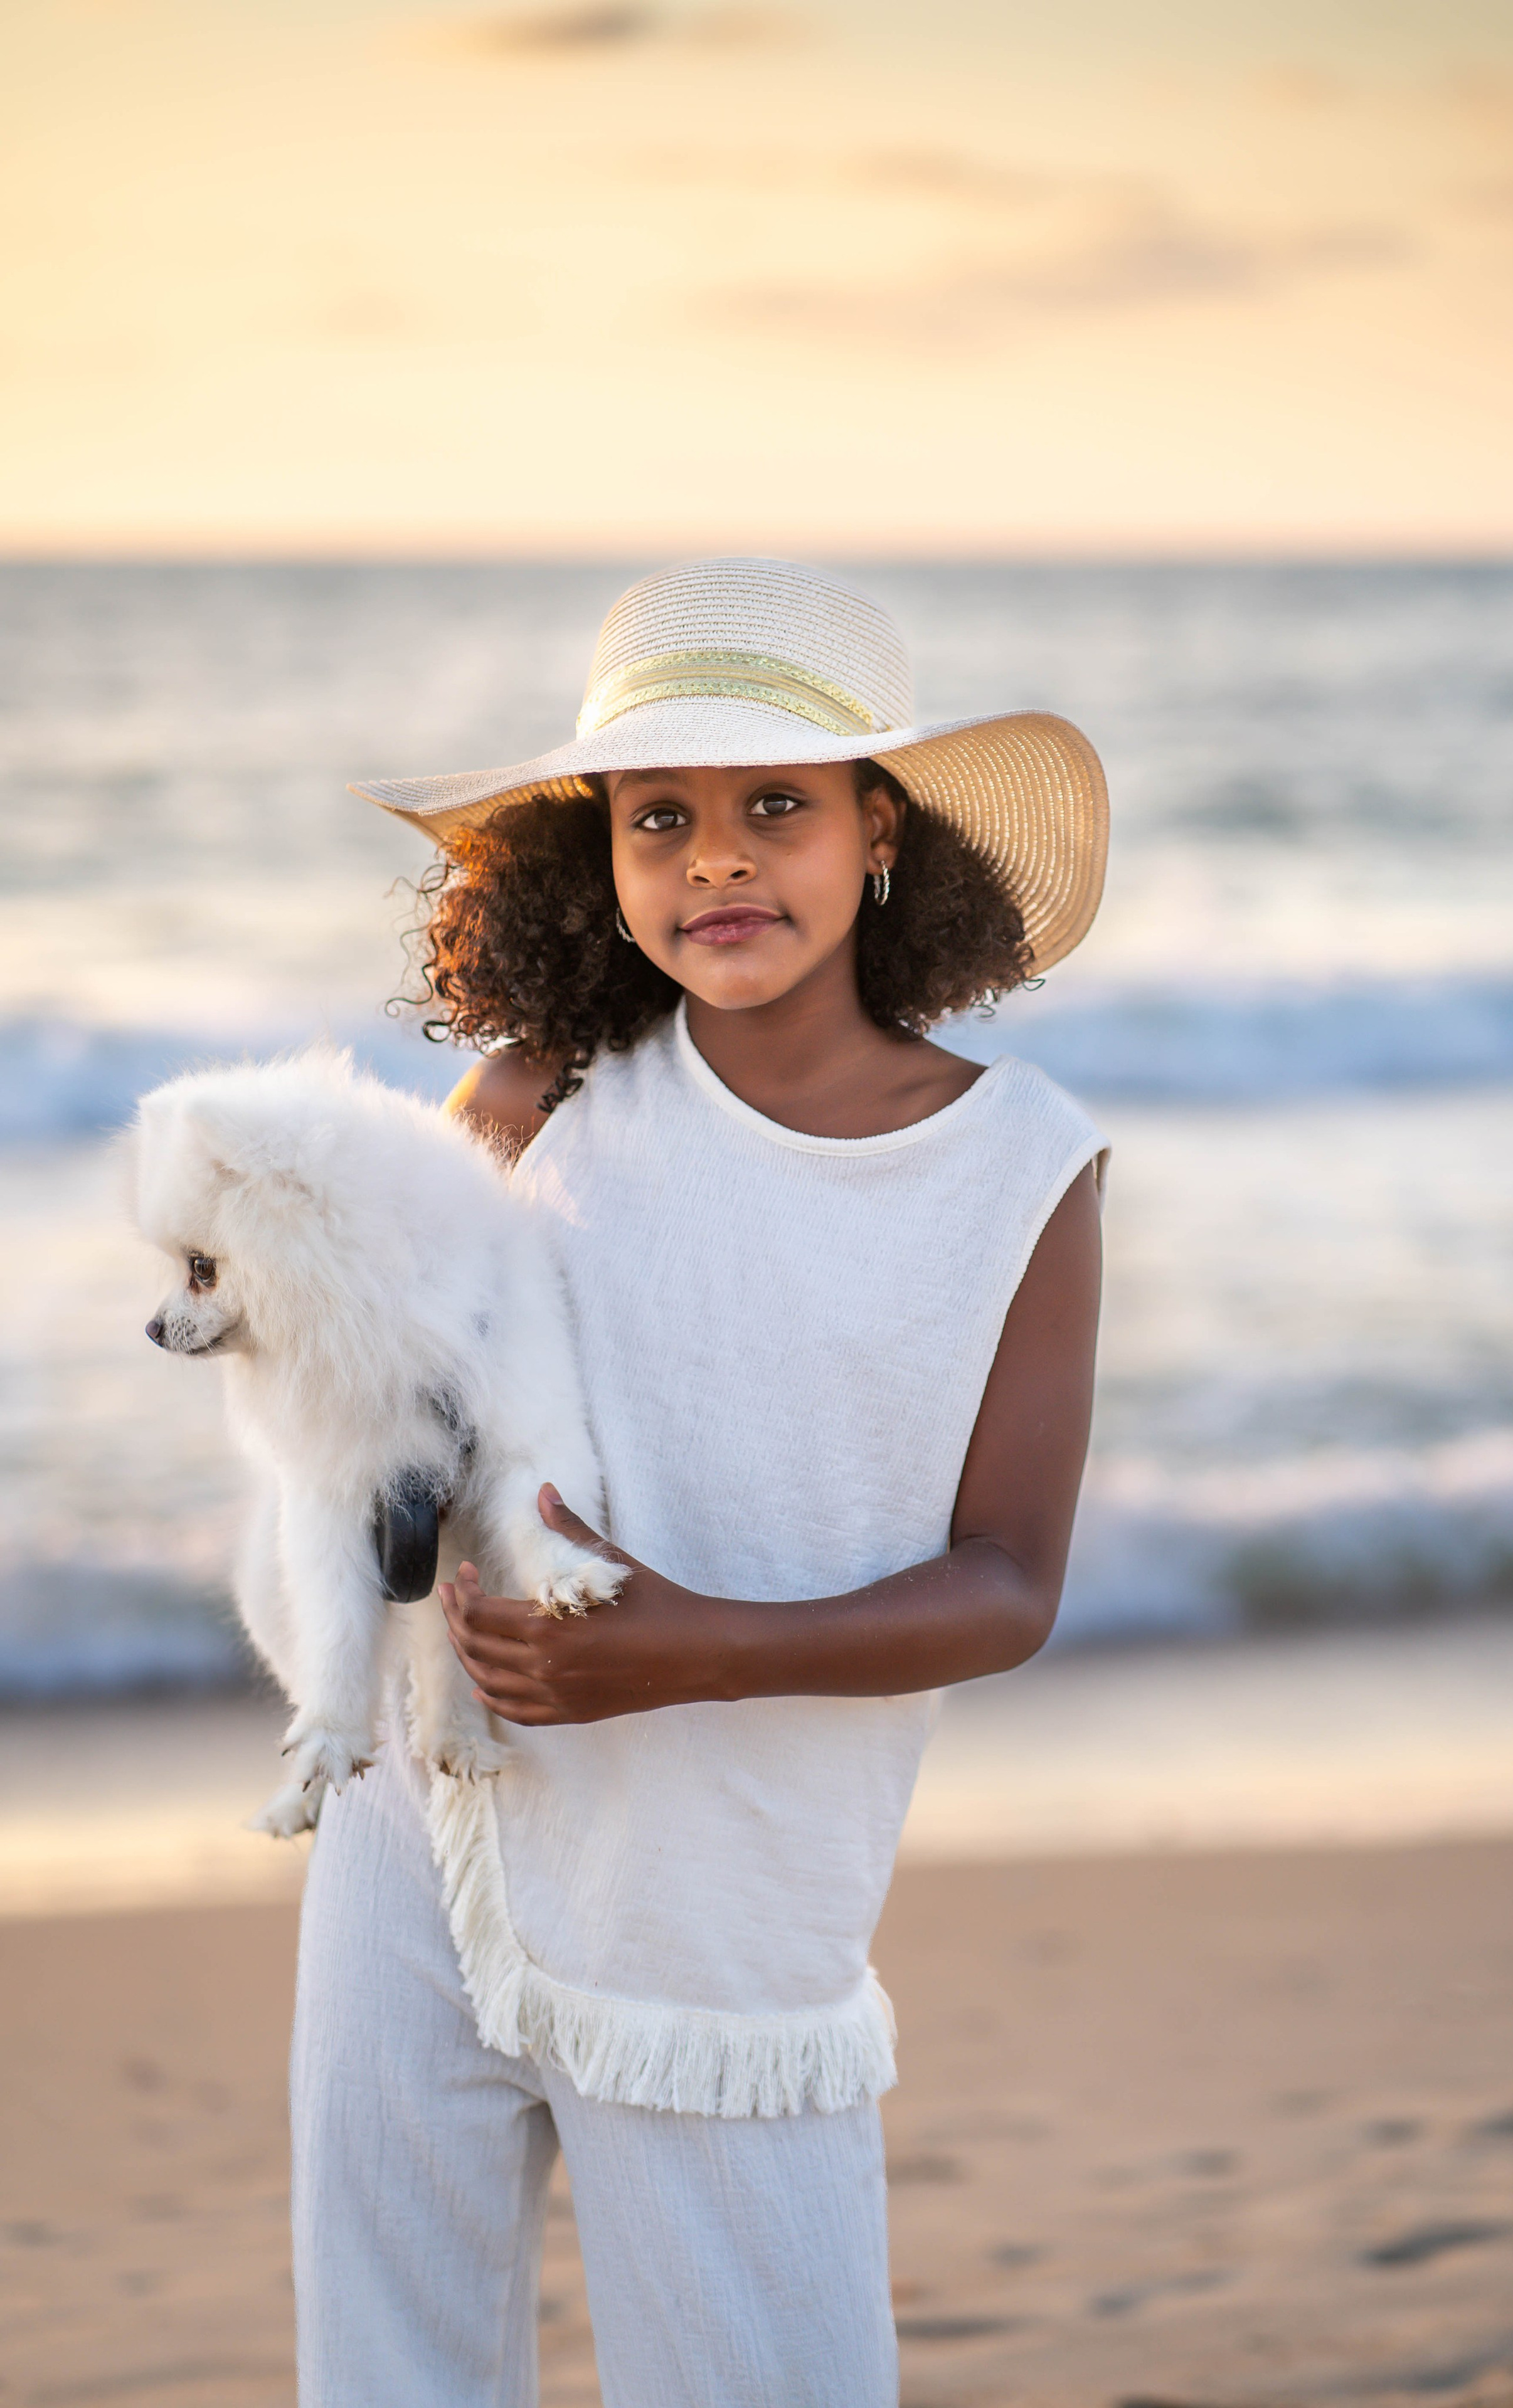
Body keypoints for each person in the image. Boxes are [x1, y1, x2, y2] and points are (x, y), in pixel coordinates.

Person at [292, 557, 1110, 2406]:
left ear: (877, 831)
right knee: (384, 2360)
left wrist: (684, 1648)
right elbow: (397, 1449)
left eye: (777, 808)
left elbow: (1008, 1582)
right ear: (604, 859)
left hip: (724, 1887)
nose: (719, 859)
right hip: (429, 1836)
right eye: (663, 817)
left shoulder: (1015, 1171)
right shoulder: (531, 1101)